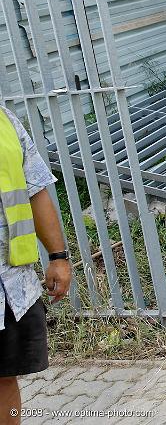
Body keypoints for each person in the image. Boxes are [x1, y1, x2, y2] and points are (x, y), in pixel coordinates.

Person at [0, 106, 72, 425]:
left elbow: (35, 190)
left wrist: (58, 256)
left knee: (4, 379)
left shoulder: (4, 121)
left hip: (10, 285)